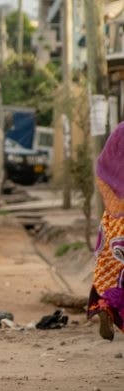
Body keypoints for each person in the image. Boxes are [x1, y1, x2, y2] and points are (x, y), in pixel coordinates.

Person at [87, 121, 124, 341]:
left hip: (115, 220)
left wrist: (114, 203)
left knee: (110, 267)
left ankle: (106, 305)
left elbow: (103, 168)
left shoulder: (120, 130)